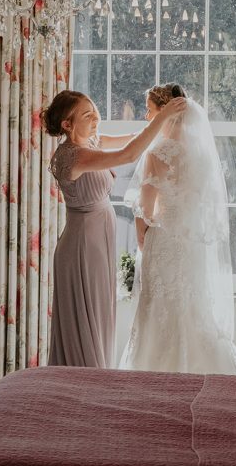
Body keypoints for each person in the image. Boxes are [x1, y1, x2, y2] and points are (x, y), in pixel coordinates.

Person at [120, 83, 236, 375]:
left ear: (166, 113)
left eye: (149, 110)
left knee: (159, 308)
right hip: (192, 244)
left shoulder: (158, 152)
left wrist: (141, 236)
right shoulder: (201, 154)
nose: (147, 117)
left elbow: (145, 208)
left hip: (164, 240)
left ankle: (155, 374)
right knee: (193, 306)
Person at [43, 89, 186, 368]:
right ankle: (84, 382)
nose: (96, 117)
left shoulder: (93, 143)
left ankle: (93, 379)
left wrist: (164, 124)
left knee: (98, 314)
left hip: (98, 238)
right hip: (83, 243)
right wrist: (164, 115)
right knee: (87, 316)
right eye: (87, 114)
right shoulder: (73, 156)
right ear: (67, 125)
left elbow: (135, 141)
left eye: (94, 110)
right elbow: (130, 154)